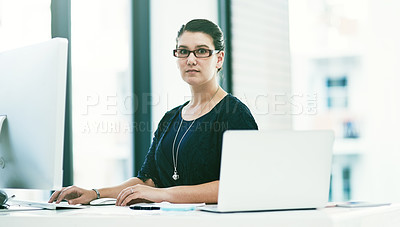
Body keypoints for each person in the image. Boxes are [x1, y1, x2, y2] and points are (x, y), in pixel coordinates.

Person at [48, 19, 258, 206]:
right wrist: (95, 193)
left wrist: (162, 195)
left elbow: (239, 184)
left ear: (219, 58)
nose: (191, 60)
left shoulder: (234, 114)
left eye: (201, 51)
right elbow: (146, 181)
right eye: (183, 51)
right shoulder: (170, 118)